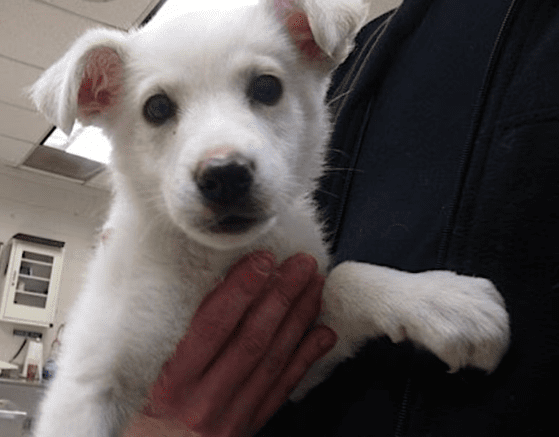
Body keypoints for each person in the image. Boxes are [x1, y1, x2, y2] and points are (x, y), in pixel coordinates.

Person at [127, 0, 559, 435]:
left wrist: (362, 298)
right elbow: (285, 324)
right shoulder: (356, 56)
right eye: (161, 109)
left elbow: (297, 325)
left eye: (262, 91)